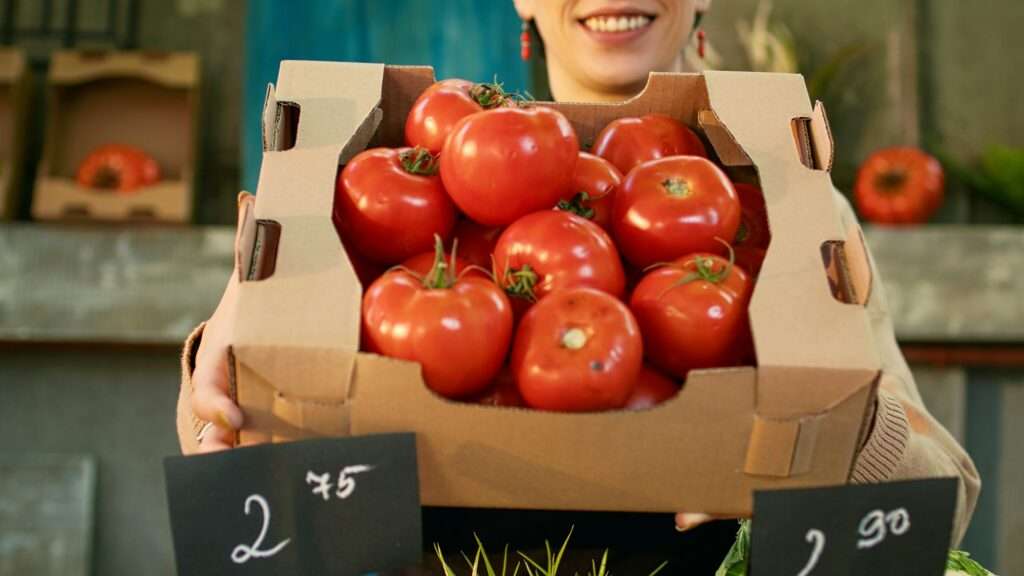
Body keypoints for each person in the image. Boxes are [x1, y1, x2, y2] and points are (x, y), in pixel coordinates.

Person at [177, 0, 980, 570]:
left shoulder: (792, 204)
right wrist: (234, 373)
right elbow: (241, 473)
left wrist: (832, 432)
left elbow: (948, 496)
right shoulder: (386, 168)